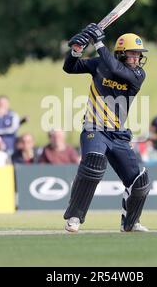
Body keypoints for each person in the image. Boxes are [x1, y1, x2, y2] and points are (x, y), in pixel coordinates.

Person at [62, 23, 150, 233]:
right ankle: (75, 216)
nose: (137, 59)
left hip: (118, 134)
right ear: (120, 54)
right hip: (95, 128)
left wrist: (99, 42)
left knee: (139, 181)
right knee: (93, 162)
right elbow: (70, 68)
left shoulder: (137, 75)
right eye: (132, 54)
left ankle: (130, 223)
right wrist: (76, 50)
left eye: (139, 55)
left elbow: (115, 69)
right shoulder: (100, 65)